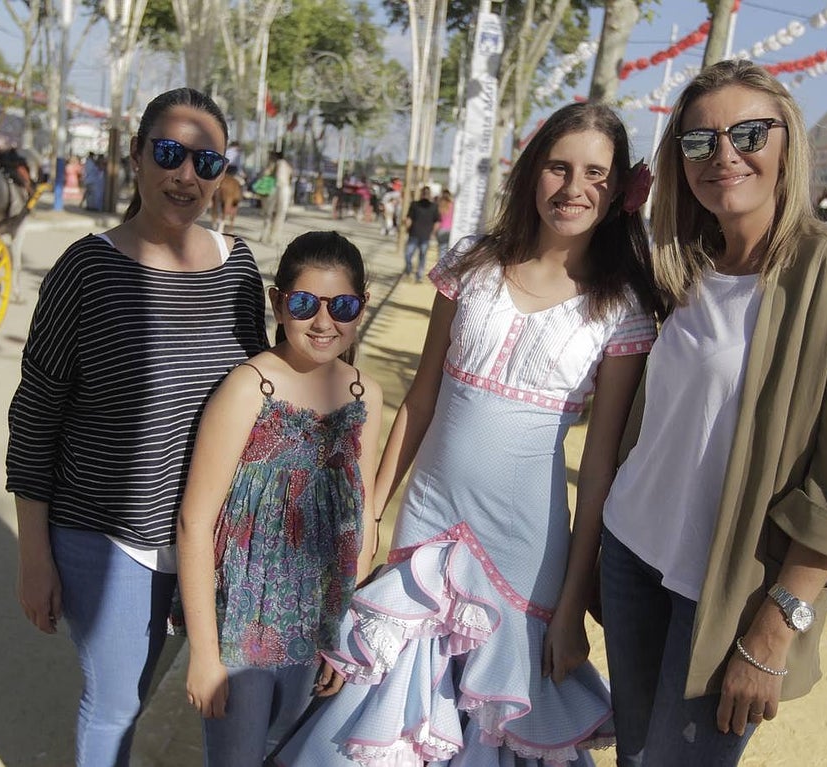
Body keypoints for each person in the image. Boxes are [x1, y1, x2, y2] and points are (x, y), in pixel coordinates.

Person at [276, 100, 661, 765]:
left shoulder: (621, 308)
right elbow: (420, 403)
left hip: (526, 550)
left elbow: (599, 469)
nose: (573, 189)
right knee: (383, 716)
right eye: (558, 167)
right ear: (532, 171)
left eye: (596, 173)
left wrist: (571, 604)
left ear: (620, 187)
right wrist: (370, 512)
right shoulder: (471, 265)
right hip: (427, 525)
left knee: (490, 731)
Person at [599, 59, 827, 766]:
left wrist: (778, 625)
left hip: (730, 591)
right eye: (699, 142)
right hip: (632, 555)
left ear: (787, 143)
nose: (724, 155)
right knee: (635, 757)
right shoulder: (678, 265)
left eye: (749, 133)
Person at [6, 87, 269, 766]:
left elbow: (261, 395)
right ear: (136, 156)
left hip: (205, 537)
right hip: (105, 535)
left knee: (183, 682)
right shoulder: (86, 270)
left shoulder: (239, 269)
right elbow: (35, 414)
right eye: (169, 153)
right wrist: (34, 556)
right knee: (119, 700)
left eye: (205, 161)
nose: (186, 174)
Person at [177, 230, 383, 766]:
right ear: (277, 303)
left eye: (341, 305)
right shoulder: (250, 387)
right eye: (303, 303)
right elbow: (195, 524)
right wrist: (203, 654)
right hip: (242, 628)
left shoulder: (365, 394)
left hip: (319, 628)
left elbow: (361, 525)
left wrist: (347, 635)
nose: (322, 322)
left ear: (360, 305)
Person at [402, 185, 440, 282]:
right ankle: (412, 272)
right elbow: (410, 218)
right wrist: (407, 227)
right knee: (413, 255)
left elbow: (437, 221)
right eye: (425, 193)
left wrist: (432, 233)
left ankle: (416, 274)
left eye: (426, 193)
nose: (425, 195)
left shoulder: (432, 206)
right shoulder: (416, 204)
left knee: (418, 255)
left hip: (421, 235)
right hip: (417, 234)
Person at [261, 149, 293, 244]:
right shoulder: (287, 165)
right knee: (281, 214)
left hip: (275, 188)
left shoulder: (275, 164)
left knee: (268, 213)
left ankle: (266, 234)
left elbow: (266, 174)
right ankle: (274, 236)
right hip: (285, 189)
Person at [435, 187, 454, 259]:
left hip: (441, 229)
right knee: (447, 250)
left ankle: (440, 264)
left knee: (441, 249)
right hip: (450, 230)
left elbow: (437, 219)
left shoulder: (439, 205)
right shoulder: (453, 205)